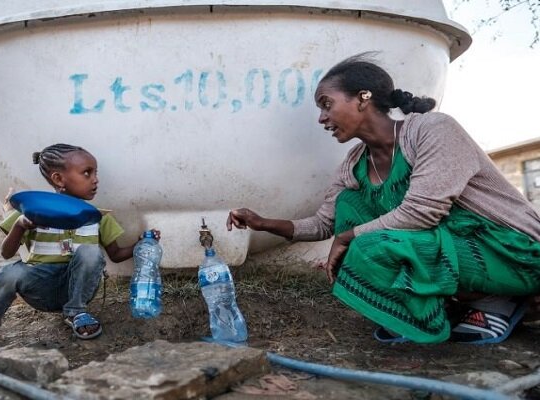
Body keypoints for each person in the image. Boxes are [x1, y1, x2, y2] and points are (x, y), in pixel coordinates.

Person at [227, 54, 540, 344]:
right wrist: (261, 222)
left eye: (327, 104)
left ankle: (500, 299)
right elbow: (324, 223)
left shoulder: (433, 129)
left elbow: (422, 213)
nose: (322, 118)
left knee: (367, 241)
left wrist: (349, 237)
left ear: (364, 98)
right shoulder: (354, 163)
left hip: (512, 252)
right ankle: (438, 306)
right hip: (452, 247)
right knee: (350, 204)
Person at [0, 143, 160, 347]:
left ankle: (76, 313)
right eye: (87, 173)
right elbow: (7, 253)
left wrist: (142, 243)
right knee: (10, 272)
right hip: (40, 287)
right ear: (58, 179)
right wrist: (20, 225)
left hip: (77, 290)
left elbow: (114, 254)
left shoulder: (98, 218)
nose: (95, 180)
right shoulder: (33, 210)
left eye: (96, 173)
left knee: (90, 251)